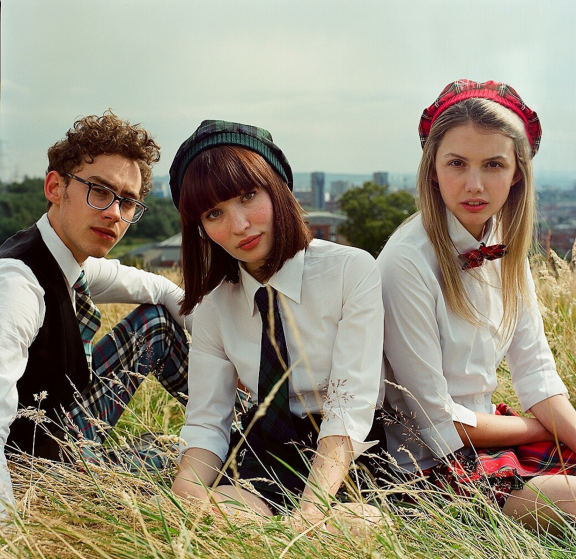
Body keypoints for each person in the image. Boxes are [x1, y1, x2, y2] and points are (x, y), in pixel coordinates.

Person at [378, 79, 576, 530]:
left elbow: (539, 376)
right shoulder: (406, 262)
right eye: (457, 163)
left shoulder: (504, 247)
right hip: (428, 465)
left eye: (493, 164)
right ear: (432, 169)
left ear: (517, 173)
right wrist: (540, 431)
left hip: (493, 436)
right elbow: (435, 418)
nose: (474, 184)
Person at [169, 120, 385, 529]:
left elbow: (349, 407)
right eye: (215, 213)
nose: (239, 226)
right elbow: (206, 420)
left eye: (249, 196)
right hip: (265, 452)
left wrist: (309, 511)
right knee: (215, 519)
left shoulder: (350, 271)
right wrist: (187, 493)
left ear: (278, 187)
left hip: (345, 453)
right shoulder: (217, 305)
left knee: (353, 529)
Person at [0, 111, 190, 516]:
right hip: (36, 473)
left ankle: (251, 431)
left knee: (155, 323)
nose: (114, 214)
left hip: (61, 427)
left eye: (127, 201)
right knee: (184, 461)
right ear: (55, 187)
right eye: (100, 192)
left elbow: (159, 288)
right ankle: (253, 451)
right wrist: (12, 533)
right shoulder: (18, 284)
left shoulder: (68, 259)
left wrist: (233, 354)